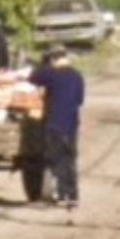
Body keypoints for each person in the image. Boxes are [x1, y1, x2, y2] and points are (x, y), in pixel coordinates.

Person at [29, 47, 86, 208]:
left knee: (57, 159)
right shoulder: (77, 75)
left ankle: (62, 194)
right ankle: (72, 194)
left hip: (55, 122)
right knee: (70, 159)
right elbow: (80, 99)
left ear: (53, 60)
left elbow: (33, 78)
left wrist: (43, 66)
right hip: (72, 123)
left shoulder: (51, 73)